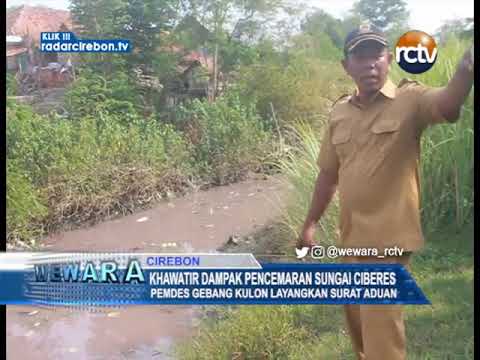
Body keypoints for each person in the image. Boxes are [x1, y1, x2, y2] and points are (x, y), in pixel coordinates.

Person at [297, 23, 474, 360]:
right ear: (346, 66)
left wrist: (466, 69)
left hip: (389, 241)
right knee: (360, 330)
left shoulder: (411, 100)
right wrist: (309, 225)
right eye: (360, 56)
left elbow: (448, 105)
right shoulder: (339, 112)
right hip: (350, 240)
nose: (370, 63)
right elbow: (327, 174)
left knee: (382, 339)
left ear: (389, 59)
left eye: (376, 54)